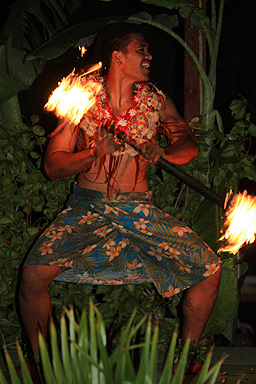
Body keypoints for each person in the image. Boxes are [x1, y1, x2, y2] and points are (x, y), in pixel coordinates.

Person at [18, 22, 221, 372]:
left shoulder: (156, 101)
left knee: (209, 271)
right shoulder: (81, 98)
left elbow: (187, 144)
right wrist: (93, 152)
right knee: (32, 278)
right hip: (88, 208)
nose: (149, 56)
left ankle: (185, 362)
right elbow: (53, 165)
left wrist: (164, 152)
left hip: (139, 210)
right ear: (117, 56)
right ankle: (43, 364)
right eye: (141, 49)